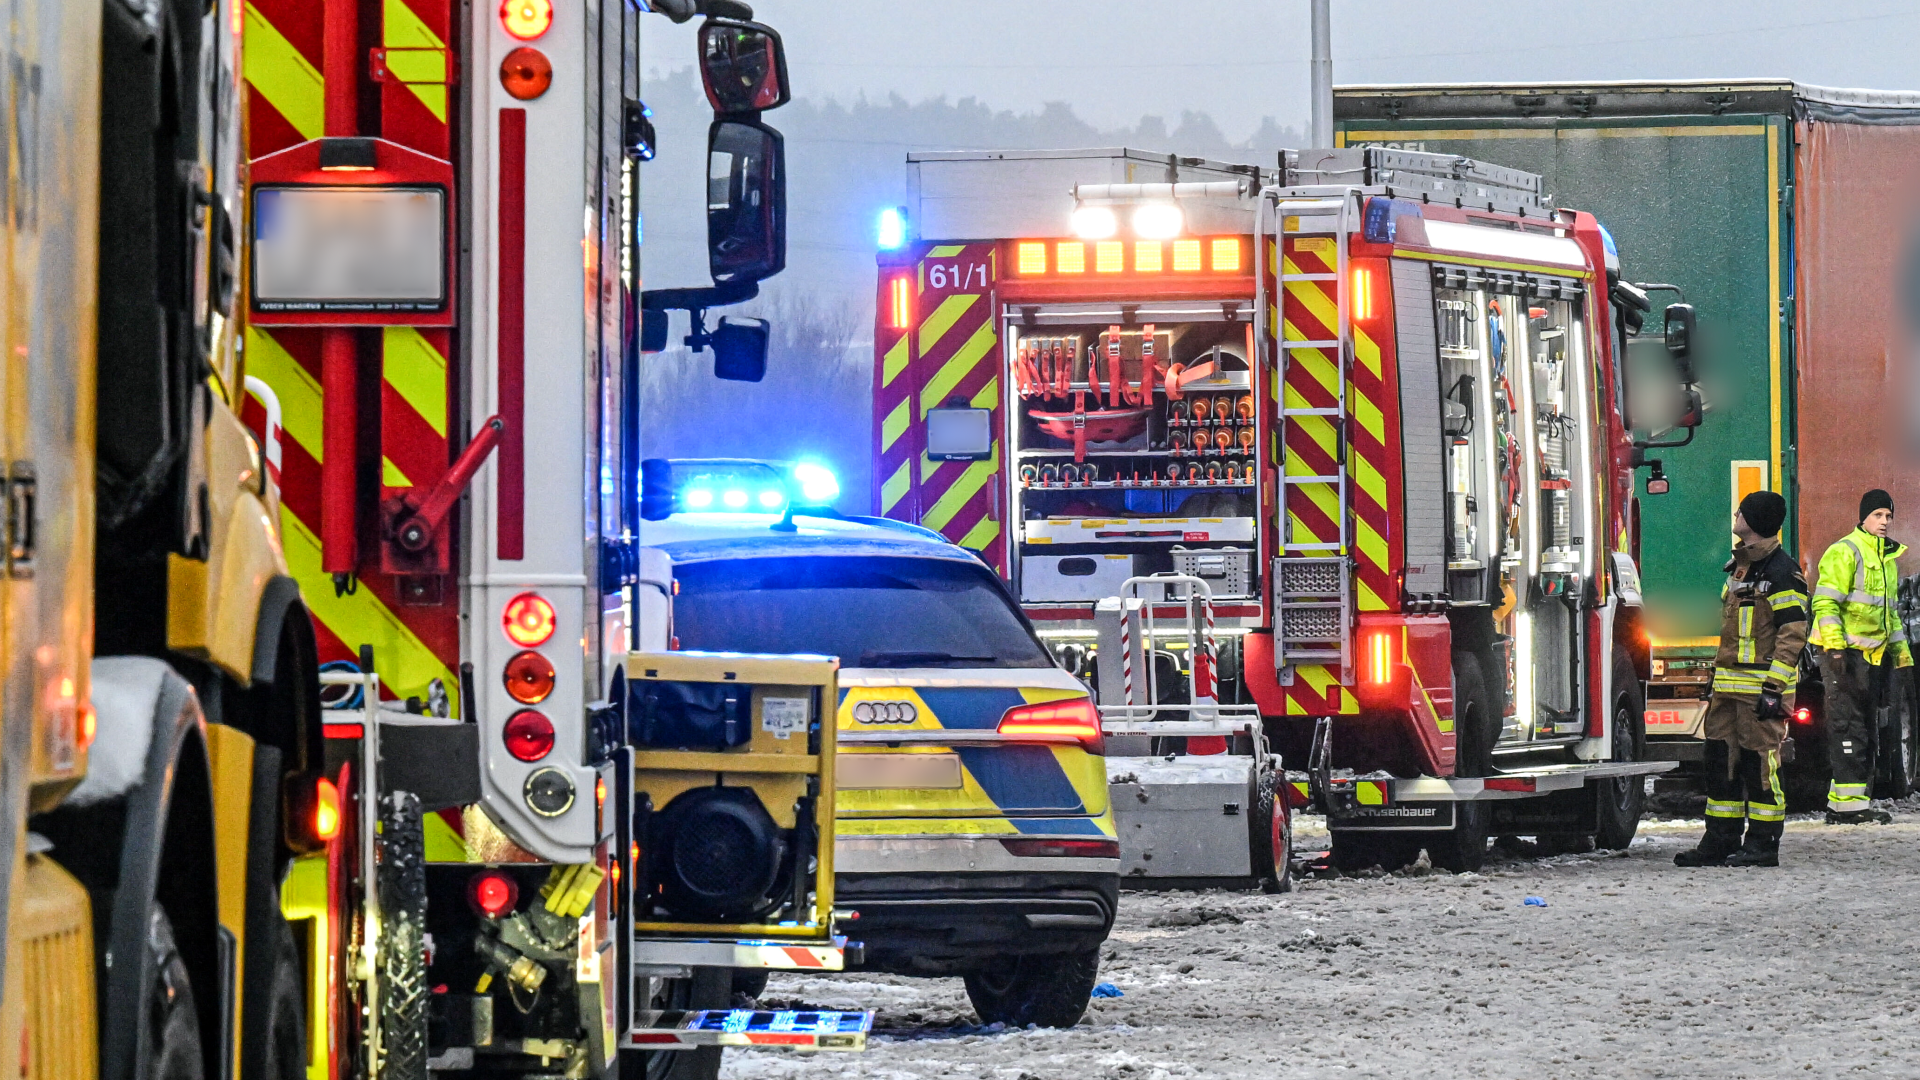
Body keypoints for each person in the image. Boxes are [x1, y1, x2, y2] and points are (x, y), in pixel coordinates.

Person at [1675, 491, 1805, 868]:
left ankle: (1763, 843)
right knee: (1720, 765)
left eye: (1742, 511)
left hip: (1760, 694)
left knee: (1760, 767)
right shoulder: (1738, 568)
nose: (1736, 515)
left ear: (1756, 520)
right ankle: (1719, 840)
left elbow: (1792, 634)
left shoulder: (1783, 573)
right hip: (1728, 692)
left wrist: (1774, 689)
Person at [1811, 489, 1910, 825]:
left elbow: (1891, 616)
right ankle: (1849, 807)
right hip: (1843, 655)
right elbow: (1825, 604)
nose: (1884, 522)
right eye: (1878, 515)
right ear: (1864, 517)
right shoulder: (1845, 552)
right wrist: (1835, 647)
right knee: (1848, 726)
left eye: (1888, 516)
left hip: (1870, 657)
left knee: (1863, 728)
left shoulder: (1886, 560)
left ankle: (1847, 804)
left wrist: (1902, 655)